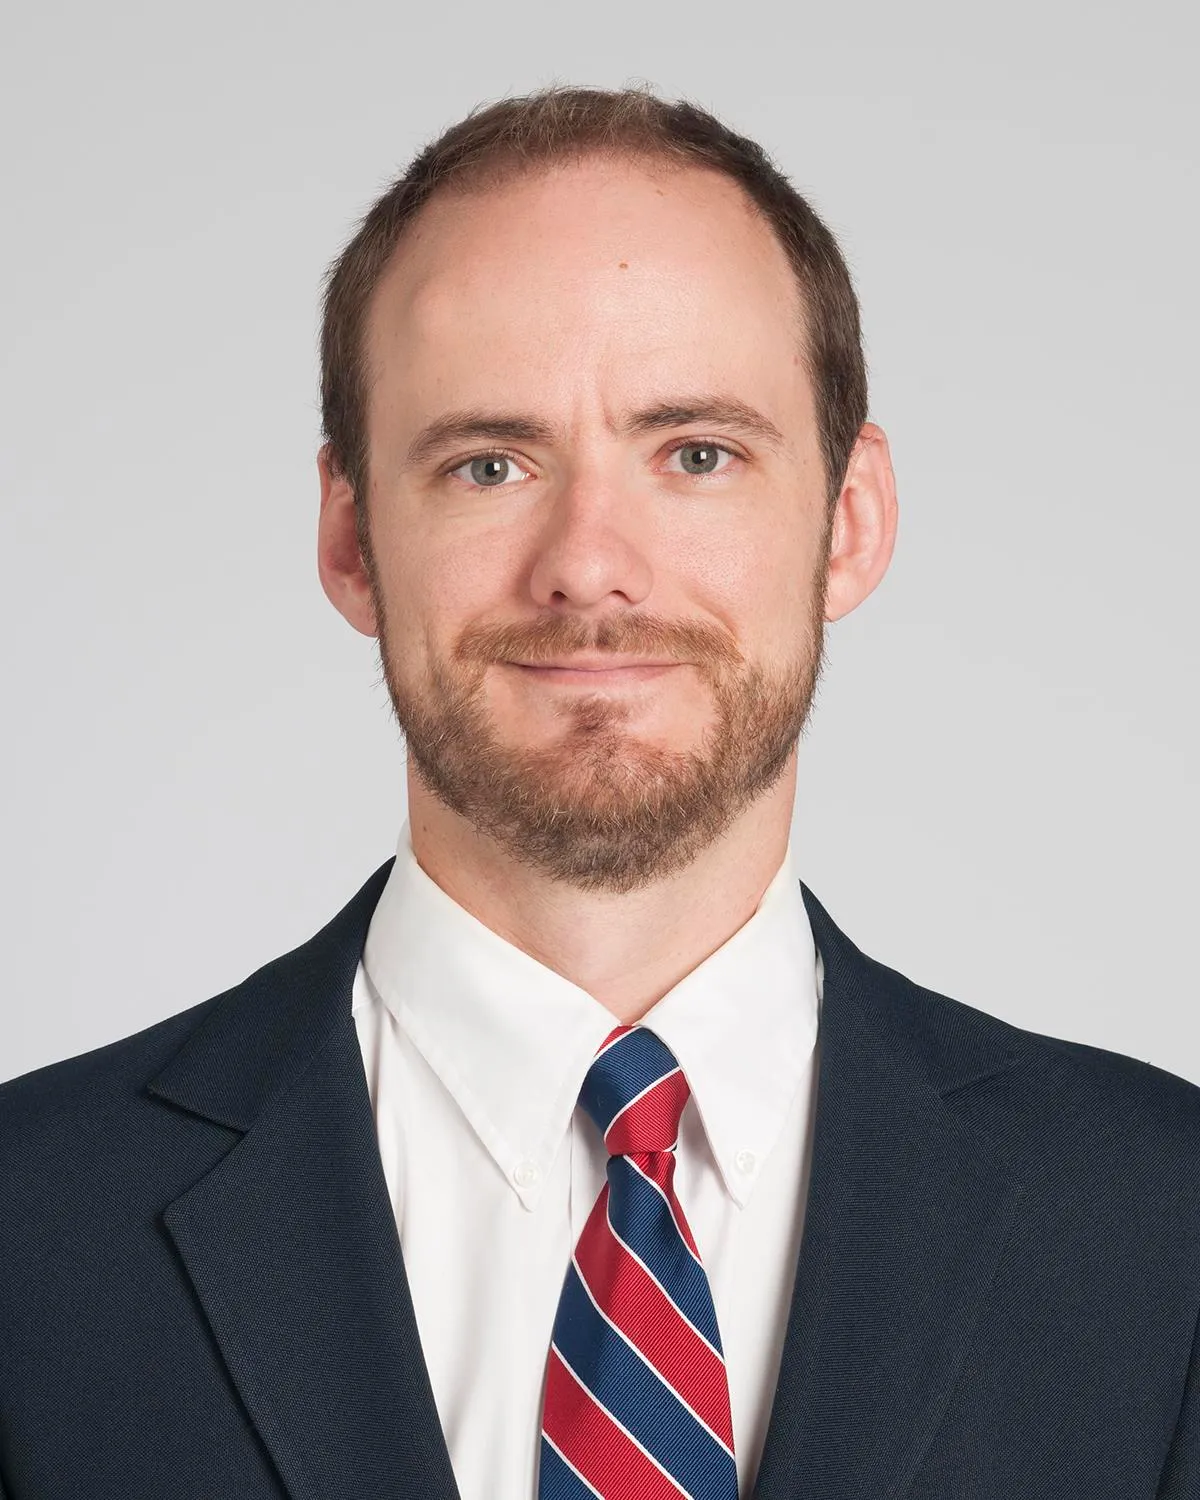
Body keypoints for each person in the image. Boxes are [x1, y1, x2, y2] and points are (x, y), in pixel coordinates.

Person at [0, 83, 1196, 1500]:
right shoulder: (29, 1227)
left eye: (696, 454)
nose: (587, 564)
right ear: (351, 540)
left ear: (849, 523)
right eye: (488, 465)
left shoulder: (1165, 1227)